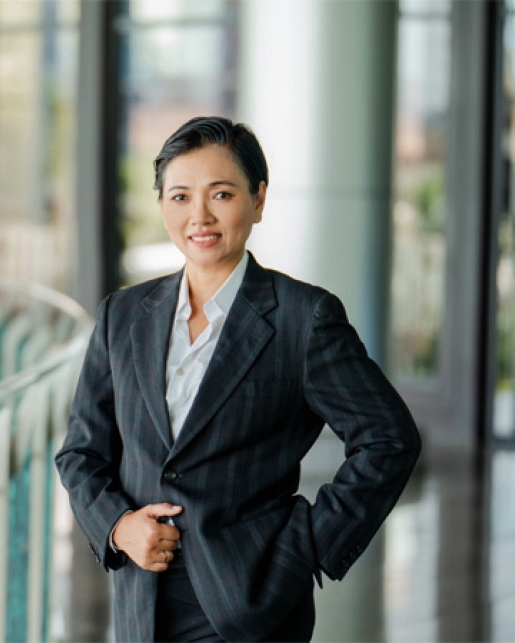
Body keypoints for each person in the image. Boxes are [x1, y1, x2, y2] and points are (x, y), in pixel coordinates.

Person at [55, 116, 421, 642]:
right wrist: (118, 526)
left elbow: (388, 438)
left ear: (258, 199)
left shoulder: (303, 318)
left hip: (251, 604)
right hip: (142, 605)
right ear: (162, 205)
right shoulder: (123, 315)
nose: (199, 216)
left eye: (221, 194)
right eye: (180, 197)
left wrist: (309, 545)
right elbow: (80, 453)